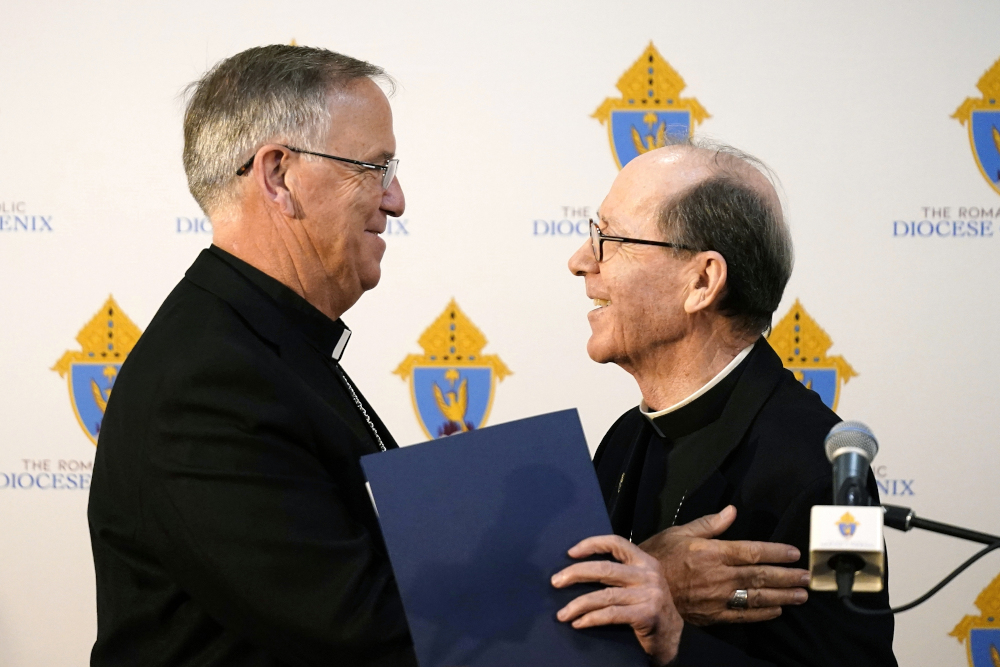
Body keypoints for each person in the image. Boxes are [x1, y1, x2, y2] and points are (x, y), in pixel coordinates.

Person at [88, 44, 679, 667]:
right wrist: (641, 584)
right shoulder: (209, 382)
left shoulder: (263, 345)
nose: (396, 200)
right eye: (374, 168)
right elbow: (365, 632)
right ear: (279, 177)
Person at [564, 141, 897, 666]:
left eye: (610, 239)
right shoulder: (625, 438)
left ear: (701, 281)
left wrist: (677, 641)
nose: (581, 261)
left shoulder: (829, 474)